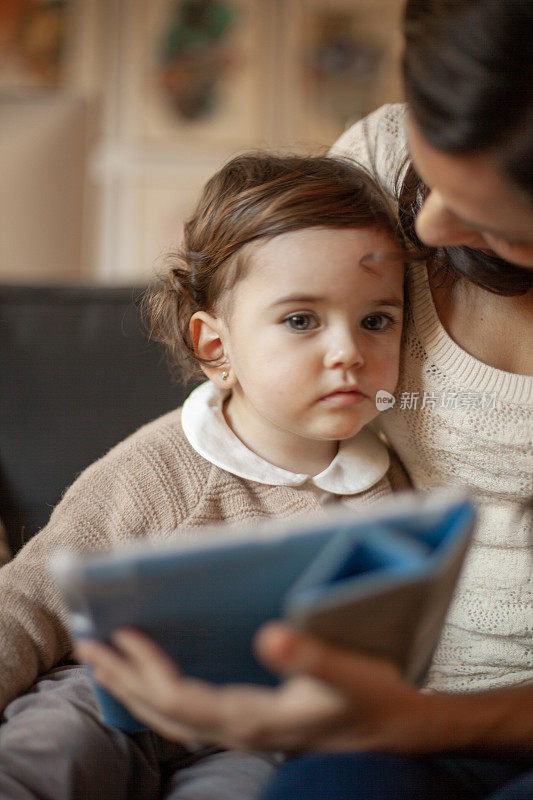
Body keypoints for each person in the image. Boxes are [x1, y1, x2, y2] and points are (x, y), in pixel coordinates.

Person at [78, 2, 533, 799]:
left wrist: (408, 720)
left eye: (492, 219)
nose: (420, 226)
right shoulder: (373, 170)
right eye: (431, 174)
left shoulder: (369, 489)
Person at [0, 153, 410, 800]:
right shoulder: (160, 465)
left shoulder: (395, 490)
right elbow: (31, 598)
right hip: (113, 691)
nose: (348, 352)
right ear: (216, 347)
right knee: (50, 750)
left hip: (257, 732)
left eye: (376, 320)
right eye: (301, 320)